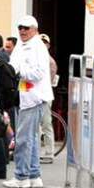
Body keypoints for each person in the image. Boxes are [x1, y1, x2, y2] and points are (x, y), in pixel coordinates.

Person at [4, 15, 52, 188]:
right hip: (25, 95)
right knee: (29, 137)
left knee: (24, 138)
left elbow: (37, 73)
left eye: (26, 28)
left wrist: (18, 71)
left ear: (35, 29)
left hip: (34, 97)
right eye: (20, 28)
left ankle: (22, 175)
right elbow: (12, 65)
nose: (22, 31)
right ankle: (33, 174)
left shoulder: (37, 47)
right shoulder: (22, 46)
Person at [38, 33, 58, 165]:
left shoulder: (50, 62)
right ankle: (37, 151)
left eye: (44, 43)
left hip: (44, 96)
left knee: (46, 124)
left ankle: (49, 152)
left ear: (48, 45)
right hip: (34, 96)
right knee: (35, 126)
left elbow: (48, 81)